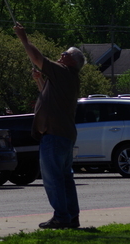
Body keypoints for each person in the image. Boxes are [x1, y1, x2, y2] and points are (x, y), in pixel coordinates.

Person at [14, 22, 84, 230]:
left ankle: (61, 217)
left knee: (53, 178)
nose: (61, 55)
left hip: (54, 134)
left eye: (65, 54)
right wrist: (40, 81)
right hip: (65, 134)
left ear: (72, 61)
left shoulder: (63, 71)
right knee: (65, 178)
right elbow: (49, 97)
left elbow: (37, 58)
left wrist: (23, 38)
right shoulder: (69, 78)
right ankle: (71, 217)